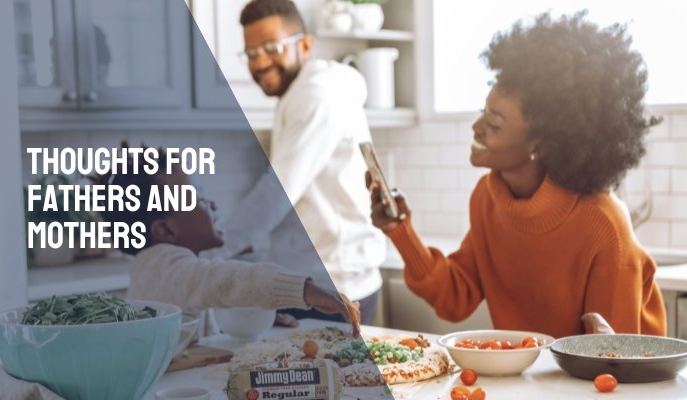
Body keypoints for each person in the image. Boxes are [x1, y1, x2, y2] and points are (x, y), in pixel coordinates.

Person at [367, 11, 667, 339]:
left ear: (540, 143)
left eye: (494, 123)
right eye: (484, 112)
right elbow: (456, 296)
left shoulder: (603, 225)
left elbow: (613, 361)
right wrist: (399, 230)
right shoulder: (488, 198)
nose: (476, 127)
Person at [214, 0, 386, 324]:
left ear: (305, 45)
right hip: (323, 281)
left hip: (332, 288)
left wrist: (209, 253)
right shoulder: (300, 92)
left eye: (271, 47)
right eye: (251, 53)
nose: (260, 61)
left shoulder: (316, 95)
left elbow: (275, 194)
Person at [90, 142, 361, 336]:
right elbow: (223, 280)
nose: (212, 205)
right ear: (165, 231)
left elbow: (201, 306)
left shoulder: (159, 268)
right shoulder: (168, 267)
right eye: (198, 199)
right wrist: (301, 289)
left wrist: (249, 320)